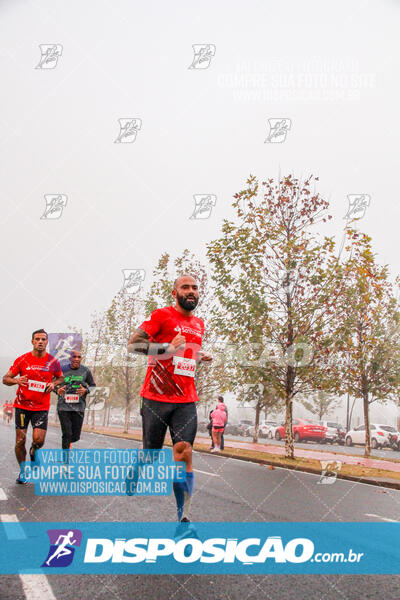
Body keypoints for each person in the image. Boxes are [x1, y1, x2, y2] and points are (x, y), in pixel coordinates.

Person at [127, 274, 212, 523]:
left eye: (195, 288)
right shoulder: (161, 315)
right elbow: (133, 345)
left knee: (183, 452)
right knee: (151, 454)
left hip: (185, 400)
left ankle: (183, 514)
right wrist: (166, 348)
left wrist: (198, 356)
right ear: (174, 293)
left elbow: (183, 358)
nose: (191, 291)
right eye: (185, 287)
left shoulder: (199, 324)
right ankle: (138, 467)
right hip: (155, 397)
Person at [2, 329, 64, 484]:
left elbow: (60, 377)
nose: (40, 342)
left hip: (41, 407)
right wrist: (17, 380)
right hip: (22, 406)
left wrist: (53, 383)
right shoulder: (22, 360)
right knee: (20, 440)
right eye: (37, 339)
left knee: (38, 440)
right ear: (32, 341)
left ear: (47, 342)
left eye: (43, 339)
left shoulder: (53, 362)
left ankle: (34, 452)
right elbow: (5, 379)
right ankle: (23, 471)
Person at [55, 350, 96, 455]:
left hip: (79, 407)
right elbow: (52, 384)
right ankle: (65, 460)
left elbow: (93, 386)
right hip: (64, 407)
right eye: (74, 357)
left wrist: (85, 390)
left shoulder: (85, 370)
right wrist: (57, 390)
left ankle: (69, 443)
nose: (77, 359)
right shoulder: (62, 369)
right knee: (67, 433)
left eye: (79, 357)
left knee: (76, 436)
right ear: (70, 358)